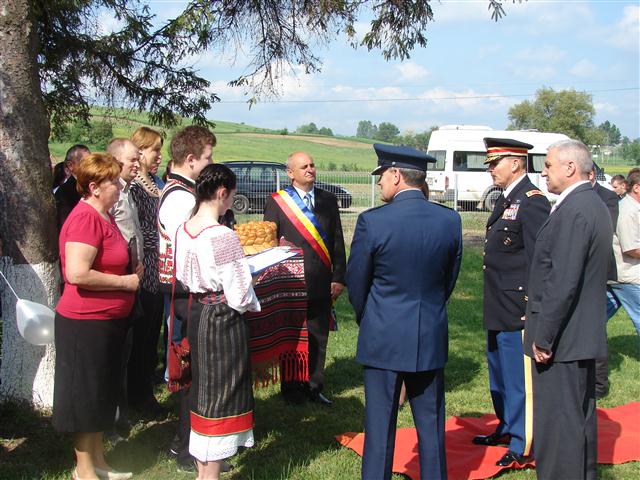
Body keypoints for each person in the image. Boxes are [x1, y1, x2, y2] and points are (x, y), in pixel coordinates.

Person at [347, 144, 462, 480]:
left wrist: (369, 317)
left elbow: (357, 283)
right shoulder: (449, 220)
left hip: (383, 333)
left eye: (382, 175)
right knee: (431, 424)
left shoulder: (373, 221)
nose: (380, 182)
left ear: (396, 175)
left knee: (379, 425)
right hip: (429, 331)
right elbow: (448, 280)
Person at [523, 139, 612, 480]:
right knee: (578, 427)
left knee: (560, 431)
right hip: (579, 336)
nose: (542, 172)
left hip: (564, 341)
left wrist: (544, 338)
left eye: (547, 165)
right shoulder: (590, 203)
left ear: (570, 167)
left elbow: (563, 280)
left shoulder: (576, 209)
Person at [52, 153, 142, 480]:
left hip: (107, 322)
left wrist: (131, 269)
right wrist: (125, 282)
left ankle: (100, 462)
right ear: (94, 187)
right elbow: (76, 273)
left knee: (101, 394)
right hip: (84, 323)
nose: (119, 187)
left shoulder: (105, 216)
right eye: (113, 182)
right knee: (85, 397)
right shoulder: (84, 219)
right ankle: (83, 470)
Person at [174, 163, 260, 480]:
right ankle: (208, 475)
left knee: (202, 389)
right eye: (231, 196)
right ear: (223, 193)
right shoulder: (223, 235)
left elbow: (183, 275)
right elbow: (238, 293)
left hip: (196, 310)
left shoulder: (184, 229)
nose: (230, 202)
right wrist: (254, 289)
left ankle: (203, 469)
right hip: (222, 316)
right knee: (221, 394)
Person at [472, 138, 550, 467]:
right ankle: (505, 426)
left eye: (495, 163)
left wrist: (532, 305)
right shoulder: (507, 198)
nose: (490, 169)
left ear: (516, 163)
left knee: (519, 379)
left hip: (517, 305)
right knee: (499, 374)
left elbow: (538, 258)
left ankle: (522, 440)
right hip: (498, 302)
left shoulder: (531, 201)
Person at [263, 151, 347, 406]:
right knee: (291, 338)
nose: (310, 169)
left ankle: (314, 386)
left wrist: (339, 276)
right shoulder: (277, 202)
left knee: (318, 336)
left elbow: (337, 241)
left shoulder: (328, 200)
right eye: (304, 166)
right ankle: (291, 389)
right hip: (291, 282)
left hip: (322, 282)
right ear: (291, 173)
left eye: (312, 165)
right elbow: (268, 243)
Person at [157, 125, 216, 472]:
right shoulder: (180, 197)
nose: (211, 163)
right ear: (191, 160)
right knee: (190, 369)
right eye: (208, 157)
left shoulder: (185, 190)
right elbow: (190, 247)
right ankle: (183, 448)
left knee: (194, 369)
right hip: (184, 291)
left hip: (185, 289)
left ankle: (185, 442)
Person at [129, 127, 167, 412]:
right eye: (155, 150)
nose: (159, 156)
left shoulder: (157, 182)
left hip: (160, 266)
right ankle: (137, 394)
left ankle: (146, 389)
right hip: (145, 265)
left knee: (153, 329)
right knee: (141, 333)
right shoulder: (133, 186)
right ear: (140, 151)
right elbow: (137, 229)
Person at [588, 166, 619, 399]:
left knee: (596, 327)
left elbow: (603, 230)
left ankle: (599, 384)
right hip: (580, 271)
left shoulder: (607, 197)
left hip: (597, 272)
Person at [607, 169, 640, 334]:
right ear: (637, 188)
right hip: (628, 277)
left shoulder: (634, 207)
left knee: (596, 317)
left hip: (621, 275)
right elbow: (631, 249)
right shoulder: (628, 211)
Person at [55, 144, 91, 231]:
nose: (91, 167)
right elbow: (66, 225)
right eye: (86, 163)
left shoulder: (91, 186)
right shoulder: (65, 192)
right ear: (70, 165)